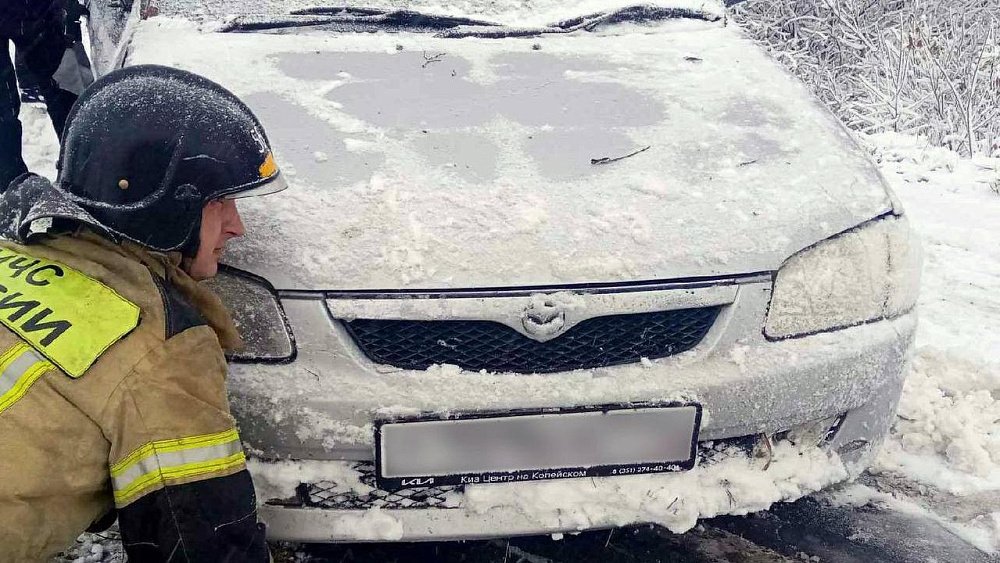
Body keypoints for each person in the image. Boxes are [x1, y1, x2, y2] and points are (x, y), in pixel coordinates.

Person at [0, 64, 285, 561]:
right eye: (220, 202)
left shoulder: (9, 254)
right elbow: (204, 546)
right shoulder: (162, 350)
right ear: (167, 206)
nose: (237, 227)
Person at [1, 0, 83, 190]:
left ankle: (85, 172)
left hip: (35, 10)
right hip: (34, 11)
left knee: (66, 85)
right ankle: (13, 192)